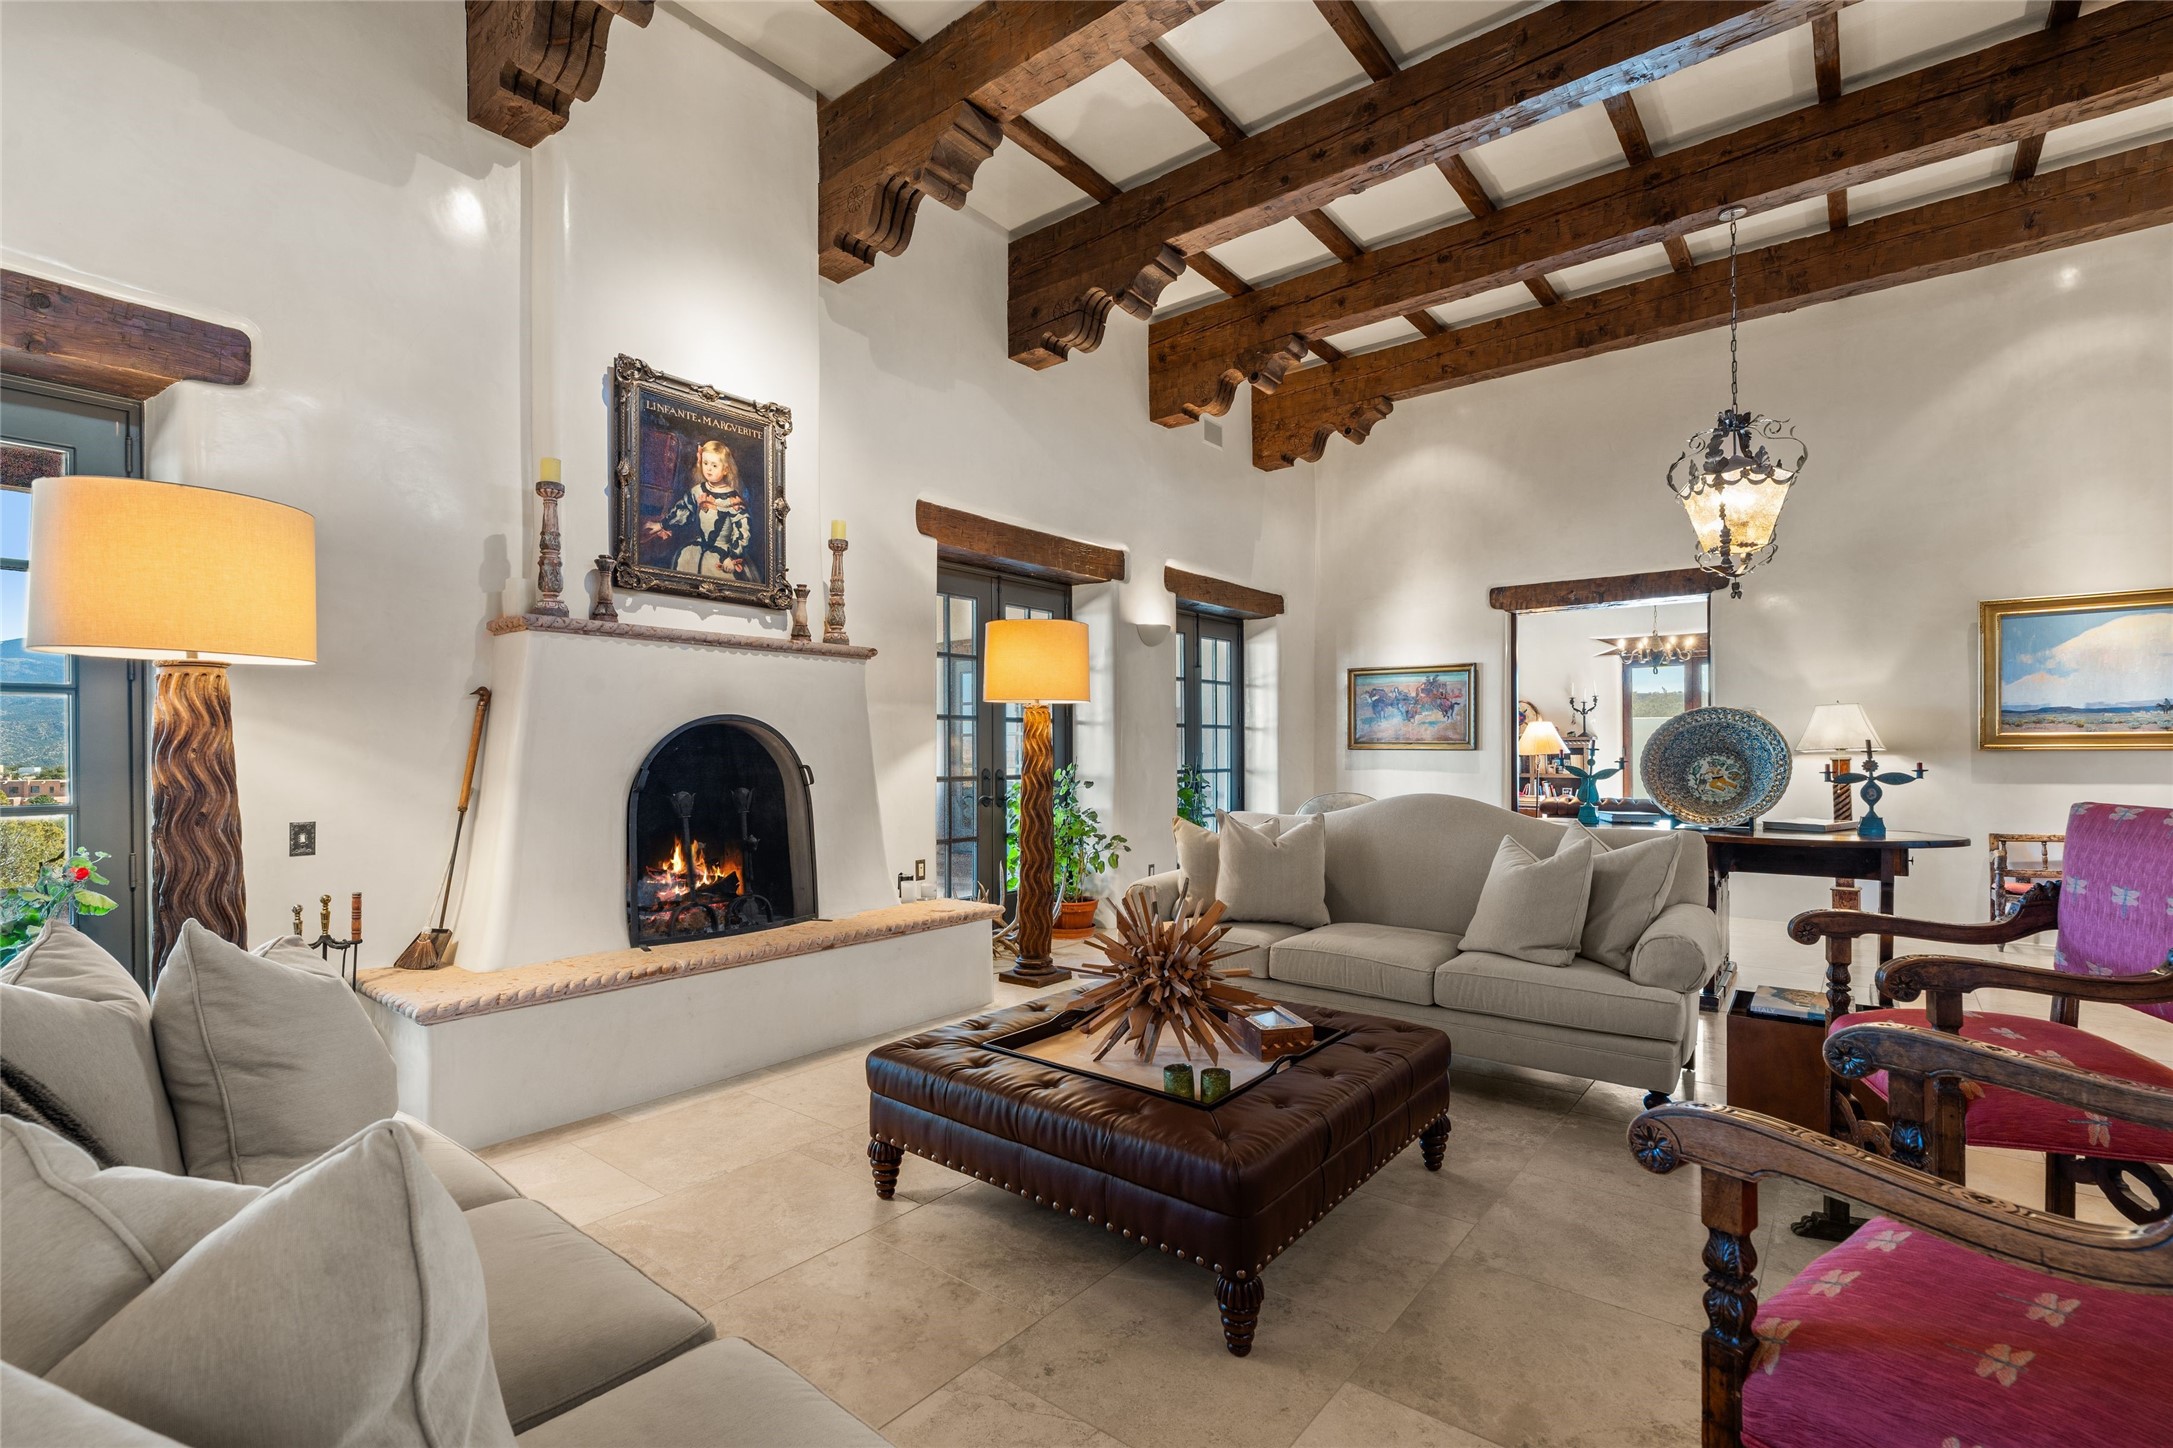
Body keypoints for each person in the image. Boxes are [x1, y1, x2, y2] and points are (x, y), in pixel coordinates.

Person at [644, 439, 753, 579]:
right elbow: (684, 510)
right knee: (684, 559)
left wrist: (732, 557)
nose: (708, 469)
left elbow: (743, 530)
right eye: (705, 463)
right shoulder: (698, 491)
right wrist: (662, 525)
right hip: (699, 546)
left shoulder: (733, 499)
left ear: (726, 469)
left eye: (714, 465)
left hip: (724, 552)